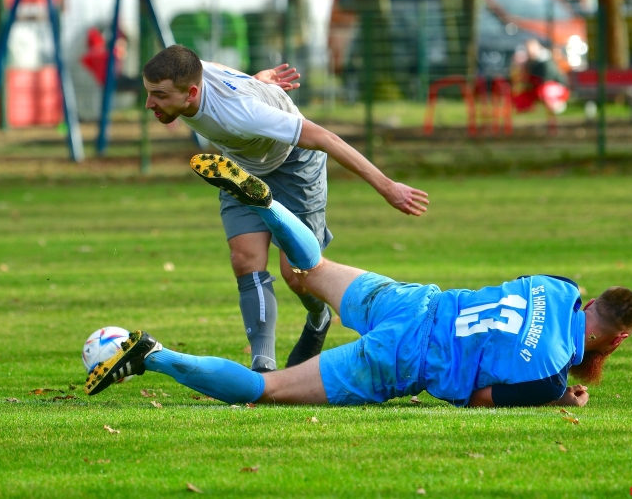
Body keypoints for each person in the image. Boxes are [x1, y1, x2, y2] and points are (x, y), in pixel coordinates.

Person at [86, 157, 632, 408]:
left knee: (312, 268)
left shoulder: (560, 285)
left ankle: (271, 206)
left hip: (416, 301)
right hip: (403, 359)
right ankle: (151, 356)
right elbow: (479, 399)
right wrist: (555, 398)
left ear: (590, 300)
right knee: (268, 390)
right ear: (615, 339)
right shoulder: (548, 379)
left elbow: (518, 294)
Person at [141, 45, 428, 373]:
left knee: (301, 276)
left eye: (159, 96)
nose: (150, 103)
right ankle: (262, 367)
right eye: (149, 92)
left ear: (191, 92)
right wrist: (256, 82)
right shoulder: (193, 72)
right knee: (244, 259)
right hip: (241, 169)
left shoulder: (241, 112)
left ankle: (319, 318)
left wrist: (387, 187)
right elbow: (216, 69)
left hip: (294, 164)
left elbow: (324, 138)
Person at [510, 38, 571, 133]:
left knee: (544, 90)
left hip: (555, 89)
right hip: (539, 88)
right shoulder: (531, 62)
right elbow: (528, 79)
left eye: (530, 50)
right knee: (524, 94)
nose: (529, 52)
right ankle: (525, 108)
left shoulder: (546, 62)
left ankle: (555, 104)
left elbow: (547, 79)